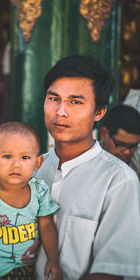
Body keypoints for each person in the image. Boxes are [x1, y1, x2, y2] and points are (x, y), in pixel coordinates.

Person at [35, 55, 140, 280]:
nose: (60, 111)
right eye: (54, 98)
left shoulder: (119, 180)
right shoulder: (34, 169)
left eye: (75, 102)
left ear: (99, 112)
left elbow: (110, 272)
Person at [0, 122, 62, 280]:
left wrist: (53, 260)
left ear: (37, 163)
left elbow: (46, 224)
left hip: (29, 270)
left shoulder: (39, 190)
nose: (16, 164)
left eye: (25, 157)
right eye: (7, 156)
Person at [100, 104, 140, 178]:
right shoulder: (86, 161)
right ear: (104, 134)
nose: (127, 152)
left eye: (133, 146)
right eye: (121, 144)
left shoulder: (137, 160)